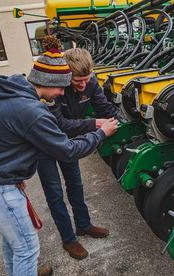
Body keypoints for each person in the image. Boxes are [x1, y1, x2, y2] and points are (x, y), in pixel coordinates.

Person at [0, 42, 118, 276]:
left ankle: (78, 229)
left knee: (15, 241)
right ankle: (64, 242)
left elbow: (1, 142)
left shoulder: (15, 93)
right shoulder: (33, 109)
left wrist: (11, 173)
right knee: (28, 244)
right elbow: (65, 142)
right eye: (64, 86)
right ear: (53, 81)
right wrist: (99, 131)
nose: (64, 93)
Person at [37, 45, 119, 260]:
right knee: (55, 193)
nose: (83, 85)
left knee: (75, 184)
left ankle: (83, 225)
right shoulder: (54, 89)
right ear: (66, 76)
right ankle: (69, 239)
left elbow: (104, 107)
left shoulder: (90, 82)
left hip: (69, 143)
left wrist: (123, 120)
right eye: (77, 81)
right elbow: (61, 124)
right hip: (45, 145)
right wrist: (95, 124)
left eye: (87, 79)